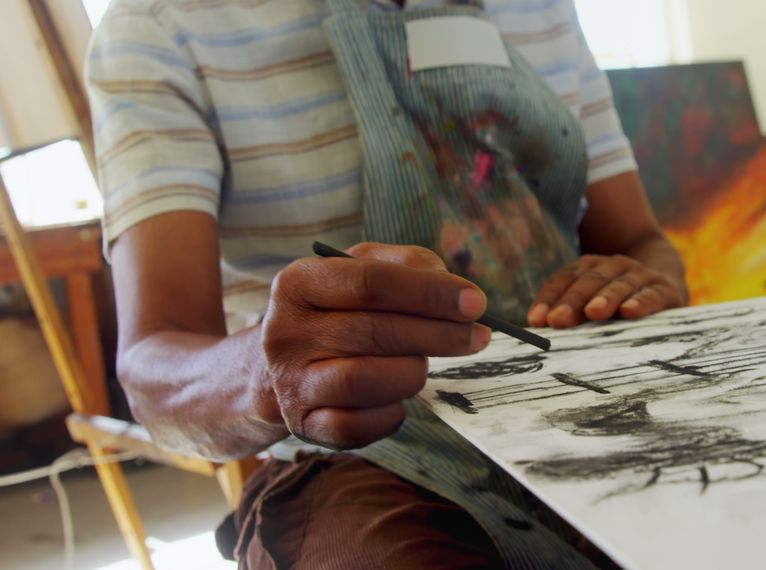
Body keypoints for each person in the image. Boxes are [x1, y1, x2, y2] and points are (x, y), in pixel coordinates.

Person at [87, 0, 688, 567]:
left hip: (594, 406)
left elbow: (640, 241)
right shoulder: (162, 24)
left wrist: (642, 282)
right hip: (372, 456)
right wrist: (271, 373)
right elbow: (150, 372)